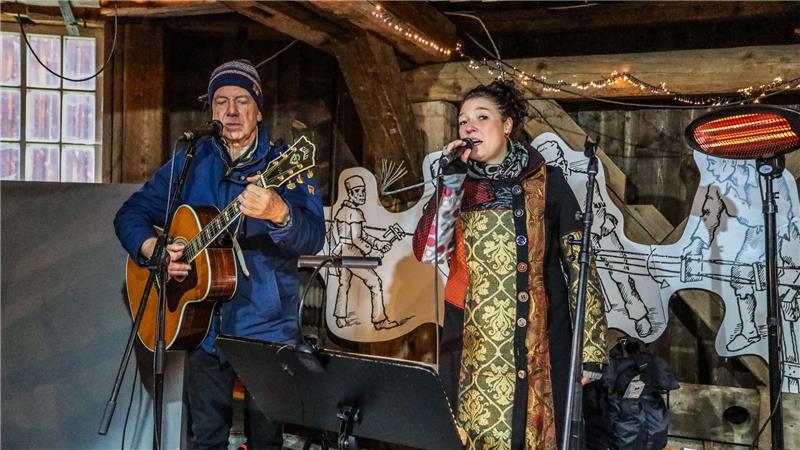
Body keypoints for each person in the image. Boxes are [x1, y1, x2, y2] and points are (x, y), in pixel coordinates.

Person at [114, 59, 325, 450]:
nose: (231, 112)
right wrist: (155, 249)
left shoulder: (285, 165)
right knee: (205, 438)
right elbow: (131, 214)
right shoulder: (193, 160)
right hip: (202, 327)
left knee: (267, 439)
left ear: (258, 111)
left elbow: (313, 238)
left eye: (242, 101)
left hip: (266, 330)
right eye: (221, 101)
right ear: (211, 111)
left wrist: (280, 213)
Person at [412, 79, 608, 449]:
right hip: (474, 341)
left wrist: (591, 350)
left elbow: (581, 264)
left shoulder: (548, 181)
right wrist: (450, 182)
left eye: (481, 117)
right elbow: (427, 251)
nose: (468, 127)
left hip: (538, 339)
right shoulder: (458, 183)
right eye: (462, 121)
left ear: (507, 125)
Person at [331, 174, 400, 330]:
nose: (362, 195)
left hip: (341, 250)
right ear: (351, 193)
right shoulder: (354, 213)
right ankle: (380, 321)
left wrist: (378, 243)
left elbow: (361, 235)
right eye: (358, 191)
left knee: (343, 284)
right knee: (375, 282)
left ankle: (340, 318)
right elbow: (356, 238)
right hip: (350, 252)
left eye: (363, 191)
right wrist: (373, 250)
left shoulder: (343, 210)